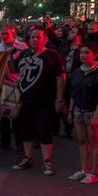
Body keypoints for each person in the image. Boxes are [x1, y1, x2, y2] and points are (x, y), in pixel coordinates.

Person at [11, 27, 66, 175]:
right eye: (32, 37)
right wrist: (9, 56)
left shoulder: (53, 55)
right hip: (25, 100)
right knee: (26, 131)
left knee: (44, 131)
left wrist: (59, 99)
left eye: (38, 37)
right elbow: (14, 70)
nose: (35, 40)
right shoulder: (23, 54)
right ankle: (28, 158)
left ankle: (46, 161)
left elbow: (61, 78)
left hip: (45, 100)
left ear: (45, 39)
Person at [66, 43, 98, 184]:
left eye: (86, 52)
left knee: (94, 142)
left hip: (93, 111)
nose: (83, 55)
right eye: (81, 53)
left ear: (94, 55)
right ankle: (83, 170)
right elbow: (73, 93)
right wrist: (70, 111)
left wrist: (97, 117)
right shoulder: (77, 72)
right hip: (78, 110)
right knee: (82, 141)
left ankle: (94, 172)